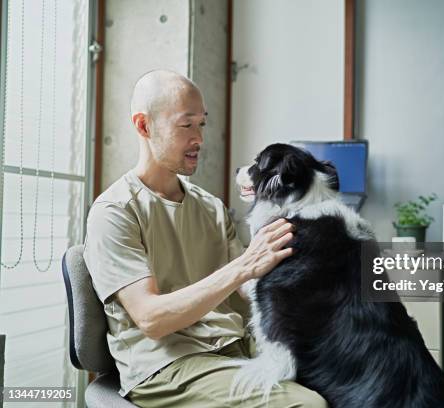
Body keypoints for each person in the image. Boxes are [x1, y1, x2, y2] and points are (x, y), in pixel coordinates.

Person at [83, 70, 327, 408]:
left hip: (232, 347)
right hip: (167, 365)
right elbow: (152, 320)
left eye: (202, 124)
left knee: (352, 381)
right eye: (186, 126)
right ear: (143, 126)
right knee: (308, 405)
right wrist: (244, 265)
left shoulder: (210, 206)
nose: (199, 138)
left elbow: (247, 288)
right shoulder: (115, 212)